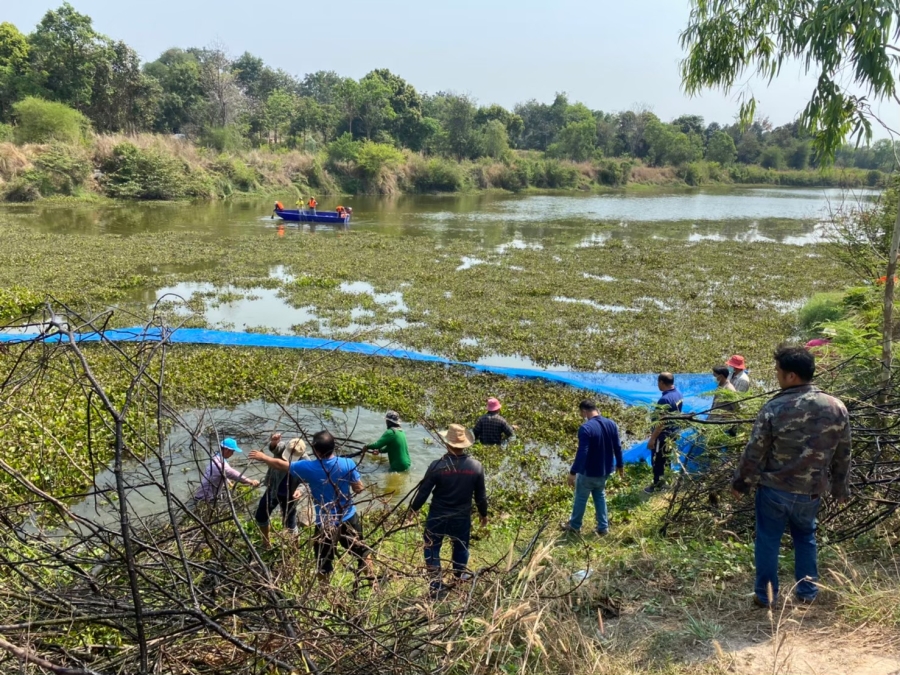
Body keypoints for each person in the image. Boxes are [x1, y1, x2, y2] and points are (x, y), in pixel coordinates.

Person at [732, 346, 851, 608]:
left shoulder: (774, 407)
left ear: (792, 376)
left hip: (774, 490)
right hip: (811, 492)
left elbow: (755, 451)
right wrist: (840, 489)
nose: (776, 375)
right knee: (806, 538)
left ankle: (765, 597)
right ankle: (807, 592)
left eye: (778, 371)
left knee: (768, 541)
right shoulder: (837, 407)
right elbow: (843, 453)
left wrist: (741, 483)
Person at [249, 431, 370, 581]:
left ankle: (325, 595)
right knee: (362, 551)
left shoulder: (308, 467)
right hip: (349, 516)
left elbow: (281, 465)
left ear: (314, 450)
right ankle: (373, 582)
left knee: (323, 563)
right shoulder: (348, 463)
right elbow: (359, 488)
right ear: (334, 447)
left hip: (326, 522)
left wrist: (263, 457)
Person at [410, 424, 488, 596]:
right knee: (460, 547)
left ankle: (436, 585)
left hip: (437, 515)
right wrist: (484, 514)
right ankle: (458, 578)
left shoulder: (437, 465)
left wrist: (413, 509)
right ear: (465, 444)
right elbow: (481, 497)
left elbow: (424, 492)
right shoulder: (476, 467)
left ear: (447, 443)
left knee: (431, 547)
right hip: (461, 516)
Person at [561, 400, 623, 536]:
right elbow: (617, 447)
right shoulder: (611, 424)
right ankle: (603, 527)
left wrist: (573, 472)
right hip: (605, 470)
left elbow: (583, 452)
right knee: (600, 496)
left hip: (589, 472)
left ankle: (575, 525)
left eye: (581, 413)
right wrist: (620, 464)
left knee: (581, 498)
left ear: (584, 411)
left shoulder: (586, 428)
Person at [254, 435, 307, 548]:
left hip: (290, 495)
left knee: (290, 524)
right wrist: (273, 442)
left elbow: (307, 481)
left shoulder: (306, 461)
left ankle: (294, 549)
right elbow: (275, 448)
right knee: (260, 515)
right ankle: (266, 542)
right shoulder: (284, 447)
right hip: (273, 489)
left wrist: (300, 490)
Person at [644, 373, 684, 494]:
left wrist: (652, 439)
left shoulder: (664, 400)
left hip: (662, 436)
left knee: (657, 460)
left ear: (661, 382)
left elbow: (661, 423)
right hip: (673, 433)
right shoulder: (678, 394)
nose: (658, 385)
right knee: (666, 458)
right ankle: (666, 480)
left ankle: (657, 485)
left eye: (658, 382)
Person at [193, 438, 260, 504]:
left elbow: (221, 473)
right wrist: (250, 481)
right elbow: (232, 473)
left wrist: (228, 482)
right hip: (205, 499)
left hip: (206, 496)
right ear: (227, 450)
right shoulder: (219, 463)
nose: (232, 454)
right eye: (232, 451)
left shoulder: (215, 458)